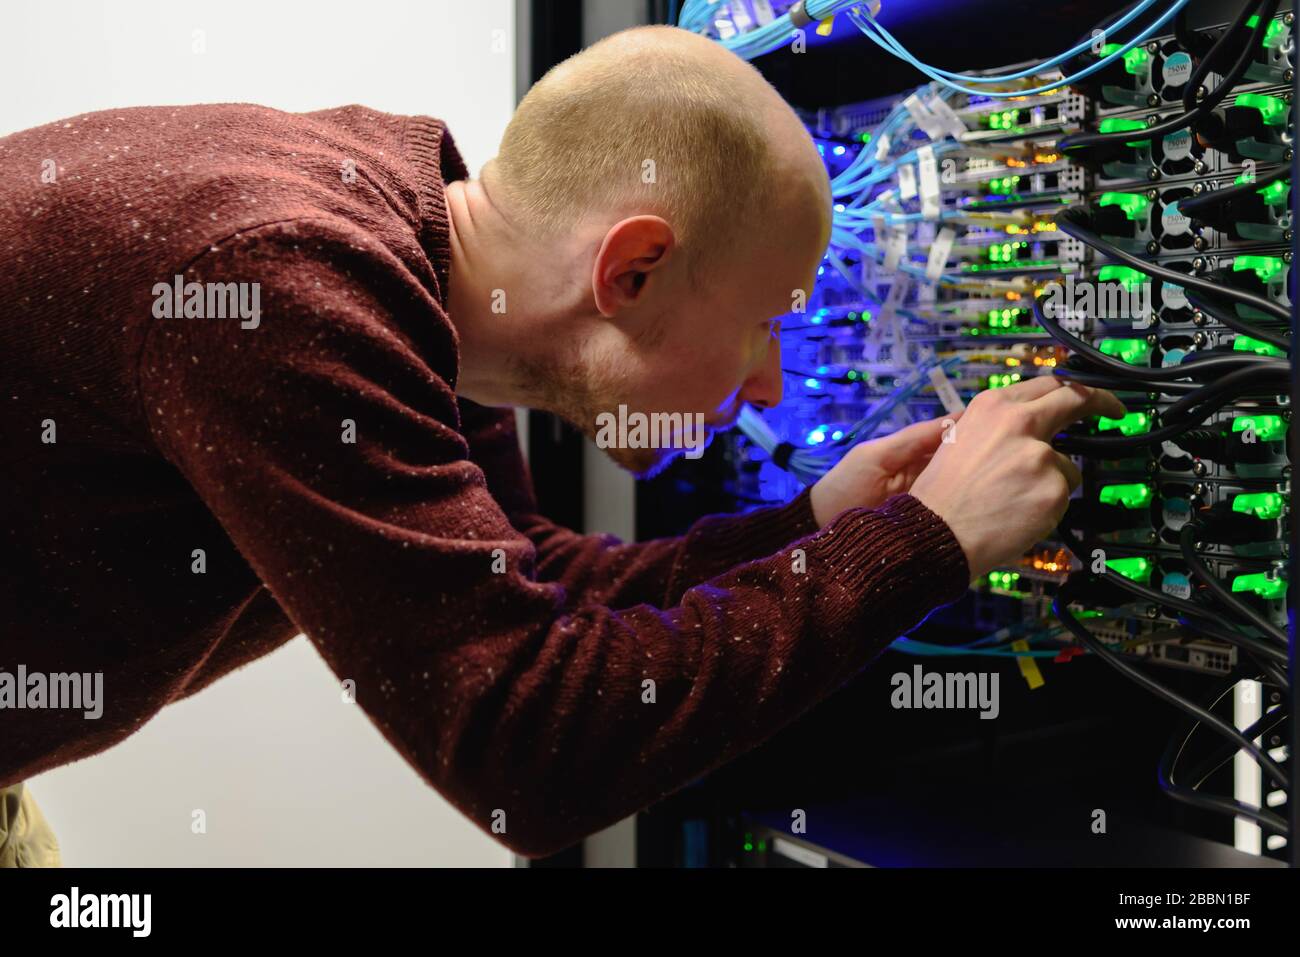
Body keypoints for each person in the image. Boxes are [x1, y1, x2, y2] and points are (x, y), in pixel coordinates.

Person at [0, 24, 1123, 862]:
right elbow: (522, 749)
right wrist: (921, 548)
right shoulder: (282, 281)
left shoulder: (420, 258)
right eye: (767, 322)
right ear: (630, 271)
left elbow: (533, 583)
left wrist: (822, 528)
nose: (775, 383)